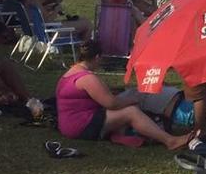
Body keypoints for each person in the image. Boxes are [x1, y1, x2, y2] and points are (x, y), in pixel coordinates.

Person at [55, 41, 189, 149]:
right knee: (131, 111)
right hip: (81, 126)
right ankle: (169, 140)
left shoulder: (69, 75)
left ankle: (120, 134)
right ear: (97, 57)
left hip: (69, 124)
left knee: (124, 104)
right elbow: (111, 104)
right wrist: (132, 100)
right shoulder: (87, 78)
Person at [18, 0, 92, 39]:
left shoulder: (24, 1)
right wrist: (56, 10)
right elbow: (47, 20)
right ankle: (85, 48)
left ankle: (83, 46)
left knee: (82, 19)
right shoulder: (33, 0)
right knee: (87, 24)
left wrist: (49, 9)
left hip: (39, 30)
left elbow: (38, 16)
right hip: (49, 31)